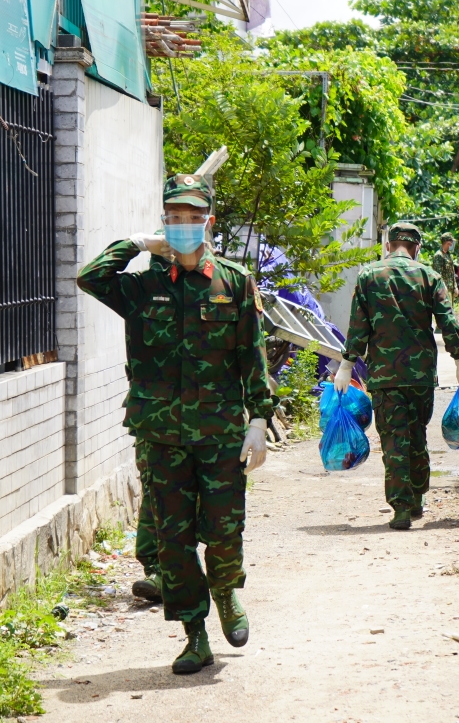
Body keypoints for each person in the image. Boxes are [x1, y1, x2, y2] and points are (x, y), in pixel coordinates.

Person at [77, 174, 277, 675]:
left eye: (193, 217)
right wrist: (136, 244)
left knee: (225, 529)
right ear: (164, 221)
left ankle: (227, 591)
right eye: (174, 217)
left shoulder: (233, 281)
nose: (183, 225)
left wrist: (259, 420)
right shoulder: (142, 286)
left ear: (208, 221)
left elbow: (253, 357)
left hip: (220, 434)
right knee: (174, 540)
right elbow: (90, 277)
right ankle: (195, 634)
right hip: (162, 435)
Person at [334, 222, 459, 530]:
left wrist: (346, 365)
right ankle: (416, 499)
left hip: (385, 376)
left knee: (394, 441)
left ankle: (400, 508)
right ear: (417, 248)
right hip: (421, 375)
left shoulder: (369, 277)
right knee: (416, 435)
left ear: (388, 245)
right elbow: (447, 322)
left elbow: (359, 326)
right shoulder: (430, 276)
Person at [431, 232, 457, 296]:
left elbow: (452, 272)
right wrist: (443, 288)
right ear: (447, 243)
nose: (451, 245)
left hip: (450, 289)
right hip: (443, 290)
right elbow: (438, 274)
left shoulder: (448, 255)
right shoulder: (438, 255)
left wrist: (455, 287)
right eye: (450, 243)